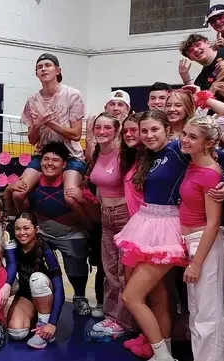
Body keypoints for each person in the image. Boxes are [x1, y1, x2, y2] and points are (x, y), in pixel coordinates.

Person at [114, 110, 224, 361]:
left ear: (167, 129)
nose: (148, 135)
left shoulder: (181, 147)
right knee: (159, 295)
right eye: (143, 130)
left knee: (132, 296)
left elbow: (223, 158)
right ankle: (162, 349)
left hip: (167, 227)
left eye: (154, 129)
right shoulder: (150, 155)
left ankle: (163, 355)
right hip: (149, 224)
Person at [4, 142, 92, 316]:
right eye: (46, 159)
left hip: (71, 233)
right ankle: (34, 296)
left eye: (55, 160)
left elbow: (88, 213)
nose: (49, 163)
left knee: (76, 268)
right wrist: (10, 191)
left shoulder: (74, 184)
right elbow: (18, 213)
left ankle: (80, 297)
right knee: (36, 267)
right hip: (43, 232)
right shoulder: (30, 184)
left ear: (64, 164)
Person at [15, 53, 87, 223]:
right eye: (39, 67)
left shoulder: (72, 95)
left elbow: (76, 134)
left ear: (57, 70)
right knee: (18, 194)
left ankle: (87, 229)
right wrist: (37, 124)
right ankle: (29, 226)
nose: (43, 69)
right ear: (36, 74)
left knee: (70, 197)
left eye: (47, 65)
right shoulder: (32, 101)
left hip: (70, 155)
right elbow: (32, 140)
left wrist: (49, 123)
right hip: (44, 155)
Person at [179, 116, 224, 361]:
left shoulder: (210, 173)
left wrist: (196, 263)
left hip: (205, 244)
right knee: (197, 311)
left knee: (210, 315)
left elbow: (213, 223)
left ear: (208, 143)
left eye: (192, 137)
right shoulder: (193, 163)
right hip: (192, 242)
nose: (185, 140)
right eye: (185, 134)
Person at [87, 113, 134, 336]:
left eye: (108, 128)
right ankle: (111, 316)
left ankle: (124, 321)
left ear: (116, 131)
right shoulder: (98, 152)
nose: (102, 131)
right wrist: (88, 135)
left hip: (124, 215)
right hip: (105, 216)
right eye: (99, 127)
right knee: (109, 271)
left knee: (124, 272)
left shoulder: (123, 154)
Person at [6, 213, 64, 350]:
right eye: (18, 229)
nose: (22, 233)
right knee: (17, 333)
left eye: (26, 228)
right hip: (26, 296)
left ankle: (43, 326)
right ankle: (34, 315)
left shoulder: (45, 250)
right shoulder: (13, 246)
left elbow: (59, 287)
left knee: (36, 279)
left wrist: (53, 323)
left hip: (45, 292)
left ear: (36, 229)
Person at [85, 90, 131, 159]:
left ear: (128, 109)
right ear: (105, 108)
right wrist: (89, 138)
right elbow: (90, 157)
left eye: (120, 104)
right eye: (112, 104)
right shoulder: (99, 128)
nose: (115, 108)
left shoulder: (133, 127)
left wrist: (121, 128)